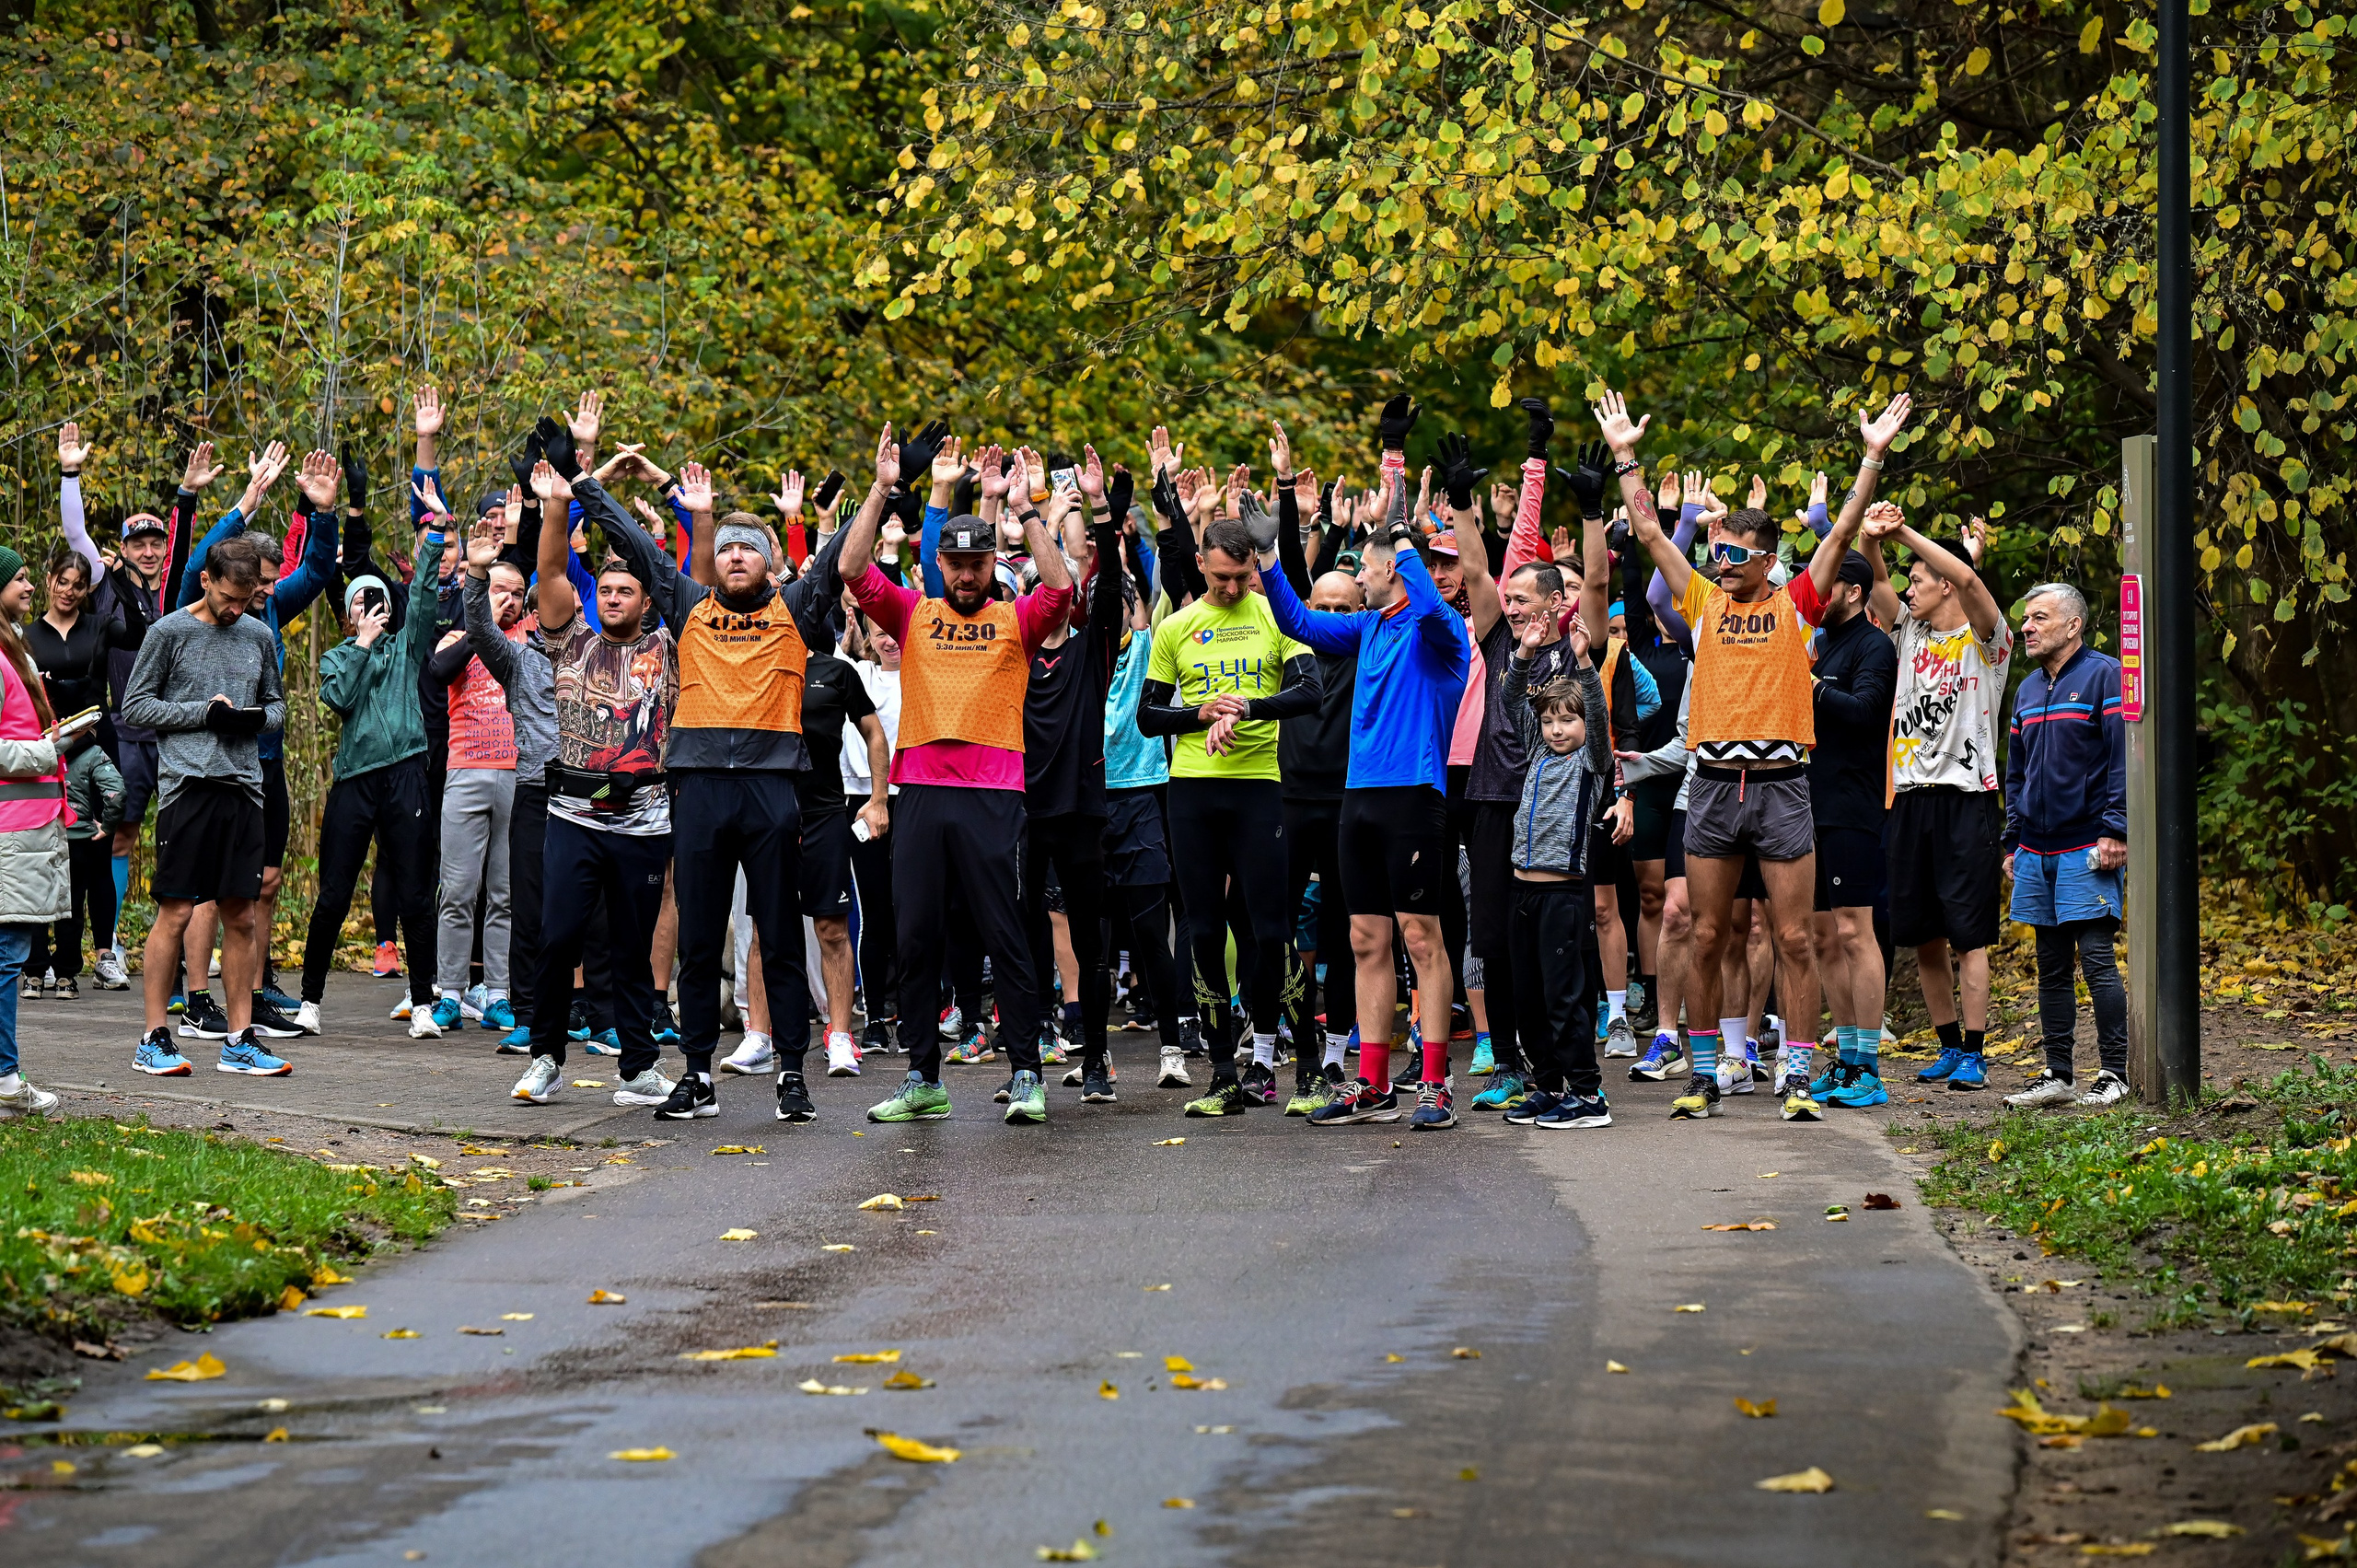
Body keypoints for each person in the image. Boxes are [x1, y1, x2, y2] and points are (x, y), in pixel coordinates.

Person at [1614, 387, 1912, 1122]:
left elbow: (1842, 530)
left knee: (1793, 937)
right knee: (1710, 933)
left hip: (1784, 787)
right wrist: (1627, 455)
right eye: (1716, 554)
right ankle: (1709, 1072)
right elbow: (1652, 536)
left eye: (1735, 556)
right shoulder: (1703, 603)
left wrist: (1872, 456)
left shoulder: (1798, 603)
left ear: (1769, 559)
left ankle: (1800, 1076)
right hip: (1714, 786)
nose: (1720, 565)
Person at [840, 426, 1074, 1127]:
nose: (968, 575)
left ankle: (1027, 1070)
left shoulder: (1016, 617)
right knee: (914, 935)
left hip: (994, 793)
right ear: (938, 564)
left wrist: (1027, 510)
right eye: (957, 564)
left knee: (1006, 932)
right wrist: (883, 488)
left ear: (991, 568)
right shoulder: (914, 612)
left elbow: (1061, 586)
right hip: (920, 791)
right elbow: (852, 570)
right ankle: (922, 1075)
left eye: (978, 565)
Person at [1260, 396, 1472, 1132]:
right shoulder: (1366, 628)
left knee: (1423, 937)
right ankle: (1374, 1082)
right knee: (1364, 939)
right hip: (1360, 798)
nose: (1367, 569)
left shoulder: (1436, 632)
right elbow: (1295, 620)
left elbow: (1436, 612)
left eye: (1376, 564)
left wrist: (1407, 535)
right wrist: (1266, 558)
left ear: (1391, 571)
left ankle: (1436, 1083)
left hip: (1415, 794)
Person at [1139, 494, 1321, 1118]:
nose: (1231, 586)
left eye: (1241, 577)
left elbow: (1309, 691)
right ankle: (1221, 1073)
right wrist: (1200, 713)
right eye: (1219, 577)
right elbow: (1147, 716)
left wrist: (1248, 706)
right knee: (1207, 933)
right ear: (1201, 562)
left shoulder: (1275, 614)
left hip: (1258, 789)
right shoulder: (1176, 627)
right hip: (1193, 790)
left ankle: (1312, 1069)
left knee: (1272, 934)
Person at [506, 458, 679, 1112]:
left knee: (632, 950)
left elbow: (679, 574)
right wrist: (556, 503)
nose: (612, 598)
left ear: (644, 600)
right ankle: (546, 1057)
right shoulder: (567, 638)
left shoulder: (668, 647)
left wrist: (686, 513)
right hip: (574, 813)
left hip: (644, 818)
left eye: (625, 591)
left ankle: (637, 1068)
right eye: (605, 589)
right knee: (558, 936)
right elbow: (550, 571)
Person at [176, 439, 339, 1036]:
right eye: (258, 581)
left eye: (272, 581)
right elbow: (193, 566)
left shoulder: (269, 609)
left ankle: (256, 986)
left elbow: (319, 570)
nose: (267, 590)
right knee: (206, 889)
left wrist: (322, 512)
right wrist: (246, 500)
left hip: (264, 765)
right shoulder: (205, 607)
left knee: (264, 882)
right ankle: (197, 999)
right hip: (213, 763)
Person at [120, 533, 288, 1077]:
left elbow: (279, 707)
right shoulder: (169, 632)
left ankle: (240, 1040)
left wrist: (254, 719)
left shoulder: (258, 635)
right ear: (208, 580)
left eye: (247, 599)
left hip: (245, 788)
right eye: (229, 597)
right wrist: (202, 713)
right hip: (188, 788)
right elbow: (136, 706)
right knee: (178, 910)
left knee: (240, 913)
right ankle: (154, 1038)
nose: (237, 608)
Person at [295, 452, 445, 1039]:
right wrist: (359, 641)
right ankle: (310, 1003)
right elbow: (339, 697)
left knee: (414, 891)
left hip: (406, 773)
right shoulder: (339, 656)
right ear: (347, 611)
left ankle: (425, 1004)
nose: (370, 606)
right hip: (355, 780)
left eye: (376, 598)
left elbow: (427, 595)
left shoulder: (409, 648)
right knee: (333, 892)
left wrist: (434, 533)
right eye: (359, 599)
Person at [1864, 507, 2014, 1089]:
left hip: (1966, 798)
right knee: (1920, 933)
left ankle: (1976, 1053)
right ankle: (1948, 1046)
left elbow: (1971, 583)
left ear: (1944, 582)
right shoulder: (1908, 632)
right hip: (1909, 798)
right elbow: (1877, 584)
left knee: (1968, 933)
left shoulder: (1986, 638)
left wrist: (1901, 531)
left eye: (1919, 579)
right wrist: (1875, 538)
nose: (1909, 588)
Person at [1010, 452, 1129, 1105]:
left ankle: (1100, 1058)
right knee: (1023, 938)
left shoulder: (1092, 648)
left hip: (1082, 810)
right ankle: (1026, 1061)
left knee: (1090, 936)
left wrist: (1098, 511)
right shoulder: (1013, 653)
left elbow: (1108, 582)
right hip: (1023, 811)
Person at [2001, 584, 2130, 1109]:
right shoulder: (2027, 690)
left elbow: (2123, 760)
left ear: (2073, 625)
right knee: (2050, 964)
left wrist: (2117, 829)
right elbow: (2016, 773)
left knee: (2096, 957)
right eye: (2026, 618)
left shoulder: (2105, 676)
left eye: (2039, 618)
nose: (2026, 627)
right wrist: (2013, 840)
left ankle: (2114, 1073)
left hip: (2088, 845)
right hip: (2035, 849)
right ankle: (2059, 1073)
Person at [1496, 605, 1615, 1127]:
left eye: (1566, 719)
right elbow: (1507, 700)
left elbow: (1599, 715)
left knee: (1564, 997)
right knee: (1529, 999)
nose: (1556, 729)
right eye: (1548, 721)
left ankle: (1588, 1095)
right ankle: (1547, 1086)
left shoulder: (1590, 760)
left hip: (1562, 896)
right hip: (1521, 891)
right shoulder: (1538, 754)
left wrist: (1584, 662)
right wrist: (1525, 650)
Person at [459, 506, 559, 1057]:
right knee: (527, 901)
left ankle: (599, 1012)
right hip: (532, 790)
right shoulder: (517, 659)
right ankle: (526, 1014)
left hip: (588, 792)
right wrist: (476, 577)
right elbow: (477, 629)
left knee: (592, 907)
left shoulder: (596, 656)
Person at [1803, 547, 1898, 1107]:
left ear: (1854, 592)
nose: (1818, 594)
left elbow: (1865, 713)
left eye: (1829, 585)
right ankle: (1844, 1061)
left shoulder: (1874, 645)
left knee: (1854, 931)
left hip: (1853, 808)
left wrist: (1811, 685)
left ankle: (1869, 1068)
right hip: (1806, 806)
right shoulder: (1821, 643)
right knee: (1821, 935)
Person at [423, 528, 527, 1036]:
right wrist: (478, 627)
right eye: (500, 590)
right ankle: (450, 994)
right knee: (458, 890)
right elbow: (438, 671)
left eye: (518, 594)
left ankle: (501, 995)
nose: (509, 600)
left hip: (517, 777)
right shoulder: (454, 638)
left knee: (504, 892)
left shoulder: (531, 643)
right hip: (465, 772)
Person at [0, 543, 71, 1118]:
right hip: (12, 828)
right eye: (20, 579)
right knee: (7, 954)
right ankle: (4, 1078)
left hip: (29, 824)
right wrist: (43, 751)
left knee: (9, 951)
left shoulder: (13, 648)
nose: (30, 586)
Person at [24, 726, 122, 1001]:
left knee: (38, 904)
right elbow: (117, 791)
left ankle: (34, 976)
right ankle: (66, 978)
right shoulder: (93, 752)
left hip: (41, 836)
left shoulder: (36, 750)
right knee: (72, 906)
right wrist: (108, 825)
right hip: (78, 839)